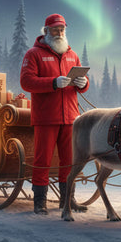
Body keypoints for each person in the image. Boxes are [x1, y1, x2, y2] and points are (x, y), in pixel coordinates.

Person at [20, 13, 89, 214]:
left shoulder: (72, 55)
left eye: (62, 29)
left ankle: (67, 200)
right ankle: (39, 202)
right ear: (46, 31)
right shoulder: (34, 54)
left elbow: (81, 83)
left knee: (69, 160)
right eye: (55, 29)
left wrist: (83, 84)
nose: (59, 33)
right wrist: (52, 82)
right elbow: (26, 82)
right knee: (43, 160)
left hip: (70, 118)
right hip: (46, 118)